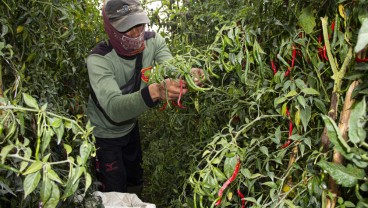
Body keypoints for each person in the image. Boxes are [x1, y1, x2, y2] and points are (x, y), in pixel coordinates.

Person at [86, 0, 203, 196]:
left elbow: (170, 67)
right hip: (104, 134)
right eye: (127, 28)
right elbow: (114, 108)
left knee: (134, 175)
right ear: (111, 30)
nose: (136, 33)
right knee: (114, 189)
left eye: (139, 24)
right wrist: (155, 91)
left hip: (130, 126)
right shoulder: (99, 59)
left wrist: (188, 75)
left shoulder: (153, 41)